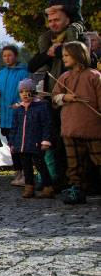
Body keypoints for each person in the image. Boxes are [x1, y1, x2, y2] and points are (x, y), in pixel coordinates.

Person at [29, 6, 88, 189]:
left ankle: (79, 182)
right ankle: (58, 178)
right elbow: (33, 65)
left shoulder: (78, 39)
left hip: (74, 98)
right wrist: (48, 53)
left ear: (67, 21)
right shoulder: (47, 43)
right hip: (52, 98)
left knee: (76, 143)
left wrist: (62, 48)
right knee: (55, 141)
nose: (53, 23)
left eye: (57, 20)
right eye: (51, 20)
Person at [52, 41, 101, 205]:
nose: (64, 58)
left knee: (99, 160)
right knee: (74, 164)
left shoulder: (94, 76)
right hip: (70, 128)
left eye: (67, 55)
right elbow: (54, 98)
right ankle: (76, 190)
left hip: (93, 128)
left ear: (77, 55)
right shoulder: (64, 77)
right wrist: (65, 97)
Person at [10, 79, 54, 199]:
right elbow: (14, 126)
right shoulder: (18, 109)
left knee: (40, 165)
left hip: (36, 143)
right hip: (22, 144)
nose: (24, 94)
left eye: (27, 91)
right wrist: (12, 142)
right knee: (26, 166)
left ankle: (48, 186)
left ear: (33, 92)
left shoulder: (40, 107)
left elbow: (47, 124)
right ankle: (29, 187)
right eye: (21, 92)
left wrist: (46, 140)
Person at [0, 45, 30, 187]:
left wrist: (21, 104)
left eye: (10, 55)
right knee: (12, 146)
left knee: (22, 145)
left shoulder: (23, 72)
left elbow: (28, 92)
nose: (7, 58)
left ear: (16, 56)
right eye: (4, 56)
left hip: (19, 113)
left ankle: (26, 174)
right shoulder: (0, 73)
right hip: (5, 115)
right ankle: (18, 172)